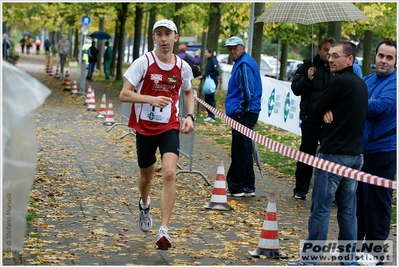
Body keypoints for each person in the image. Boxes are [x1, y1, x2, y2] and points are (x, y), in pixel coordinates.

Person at [287, 41, 368, 266]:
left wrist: (323, 110)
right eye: (329, 55)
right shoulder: (360, 84)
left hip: (333, 156)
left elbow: (314, 108)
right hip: (355, 157)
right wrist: (327, 110)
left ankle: (311, 260)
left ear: (349, 59)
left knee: (320, 209)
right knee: (348, 211)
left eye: (336, 56)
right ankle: (349, 260)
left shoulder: (339, 81)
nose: (331, 59)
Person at [119, 19, 195, 250]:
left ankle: (164, 230)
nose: (163, 38)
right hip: (144, 127)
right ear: (153, 38)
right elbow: (124, 94)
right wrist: (150, 99)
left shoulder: (183, 67)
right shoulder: (143, 63)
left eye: (168, 34)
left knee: (170, 173)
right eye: (159, 34)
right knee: (147, 177)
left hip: (169, 126)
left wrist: (190, 116)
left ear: (175, 37)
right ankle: (144, 204)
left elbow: (189, 92)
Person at [356, 40, 396, 263]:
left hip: (383, 152)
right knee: (360, 202)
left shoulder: (395, 83)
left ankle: (376, 254)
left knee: (377, 204)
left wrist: (355, 102)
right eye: (381, 55)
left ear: (396, 61)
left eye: (390, 57)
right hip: (362, 152)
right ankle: (359, 248)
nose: (384, 61)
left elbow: (380, 107)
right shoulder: (368, 80)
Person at [291, 37, 335, 200]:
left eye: (331, 51)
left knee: (330, 155)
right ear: (319, 50)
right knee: (306, 154)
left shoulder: (336, 68)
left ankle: (328, 191)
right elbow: (295, 89)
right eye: (325, 50)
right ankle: (301, 189)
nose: (328, 54)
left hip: (329, 121)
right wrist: (306, 79)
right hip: (310, 118)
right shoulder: (306, 66)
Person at [224, 36, 262, 197]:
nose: (232, 51)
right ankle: (248, 186)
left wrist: (240, 111)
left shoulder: (244, 64)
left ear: (242, 47)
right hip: (247, 111)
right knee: (245, 148)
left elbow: (248, 92)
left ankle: (236, 186)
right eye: (229, 48)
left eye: (235, 48)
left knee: (240, 149)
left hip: (244, 113)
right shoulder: (243, 62)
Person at [198, 48, 220, 122]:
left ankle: (212, 115)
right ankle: (209, 114)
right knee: (208, 99)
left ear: (210, 53)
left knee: (210, 99)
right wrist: (204, 76)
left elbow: (217, 71)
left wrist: (209, 76)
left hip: (212, 82)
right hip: (209, 81)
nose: (205, 54)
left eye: (206, 53)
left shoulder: (213, 61)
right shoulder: (210, 61)